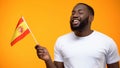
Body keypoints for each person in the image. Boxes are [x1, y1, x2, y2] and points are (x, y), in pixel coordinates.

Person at [35, 3, 120, 68]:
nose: (75, 15)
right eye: (73, 13)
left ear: (90, 18)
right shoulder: (61, 41)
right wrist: (48, 60)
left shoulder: (107, 42)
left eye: (80, 12)